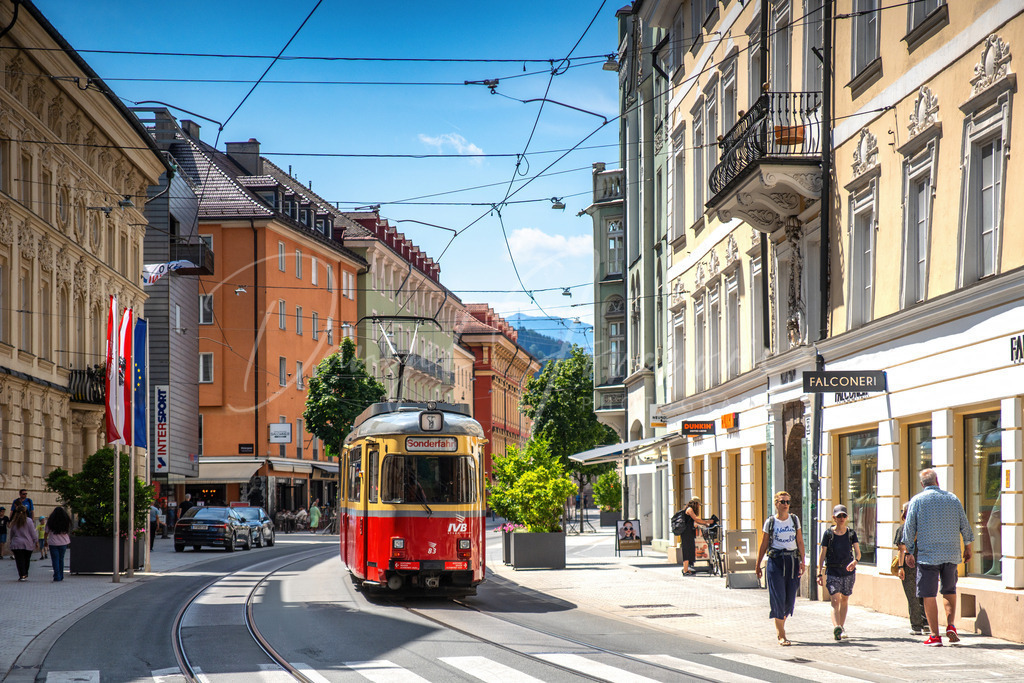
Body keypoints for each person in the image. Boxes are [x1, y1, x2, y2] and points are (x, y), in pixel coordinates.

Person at [904, 468, 974, 646]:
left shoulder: (917, 500)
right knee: (949, 590)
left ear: (922, 484)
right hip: (951, 554)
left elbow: (909, 528)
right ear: (937, 481)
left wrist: (908, 552)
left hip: (928, 556)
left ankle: (935, 635)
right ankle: (951, 626)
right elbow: (964, 525)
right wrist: (968, 547)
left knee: (929, 594)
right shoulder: (952, 498)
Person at [755, 490, 806, 646]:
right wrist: (758, 565)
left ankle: (781, 624)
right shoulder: (770, 522)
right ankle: (781, 634)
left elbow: (800, 541)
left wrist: (803, 561)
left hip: (792, 561)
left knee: (789, 600)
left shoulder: (794, 520)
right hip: (776, 561)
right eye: (782, 501)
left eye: (788, 502)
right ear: (776, 504)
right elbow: (764, 544)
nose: (785, 505)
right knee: (778, 597)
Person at [816, 504, 861, 641]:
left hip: (848, 572)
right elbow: (822, 554)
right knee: (835, 600)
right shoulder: (828, 534)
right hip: (833, 571)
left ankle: (841, 627)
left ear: (847, 517)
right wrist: (819, 573)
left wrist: (855, 562)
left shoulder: (851, 534)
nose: (841, 518)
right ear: (834, 518)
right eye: (839, 516)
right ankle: (837, 627)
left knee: (844, 599)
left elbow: (858, 553)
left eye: (844, 516)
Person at [894, 501, 926, 635]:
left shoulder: (903, 529)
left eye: (903, 511)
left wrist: (900, 567)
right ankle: (927, 624)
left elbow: (901, 550)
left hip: (909, 567)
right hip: (925, 565)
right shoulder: (924, 529)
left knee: (912, 596)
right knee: (924, 595)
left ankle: (916, 626)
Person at [677, 498, 710, 576]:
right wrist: (706, 522)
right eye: (698, 505)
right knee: (687, 550)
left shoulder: (690, 510)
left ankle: (687, 568)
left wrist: (700, 525)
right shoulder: (689, 509)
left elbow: (693, 522)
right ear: (695, 504)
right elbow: (696, 519)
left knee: (690, 549)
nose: (698, 506)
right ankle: (685, 570)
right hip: (686, 533)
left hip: (689, 533)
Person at [9, 505, 38, 581]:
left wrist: (11, 541)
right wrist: (36, 541)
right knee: (26, 560)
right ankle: (25, 574)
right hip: (27, 544)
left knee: (19, 560)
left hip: (16, 544)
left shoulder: (14, 521)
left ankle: (22, 574)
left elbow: (12, 533)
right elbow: (33, 532)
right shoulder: (29, 521)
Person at [45, 506, 72, 582]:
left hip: (53, 543)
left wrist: (45, 541)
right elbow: (68, 530)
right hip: (63, 542)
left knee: (55, 560)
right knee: (61, 559)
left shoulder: (50, 522)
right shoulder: (66, 521)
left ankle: (57, 576)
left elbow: (46, 532)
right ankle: (61, 575)